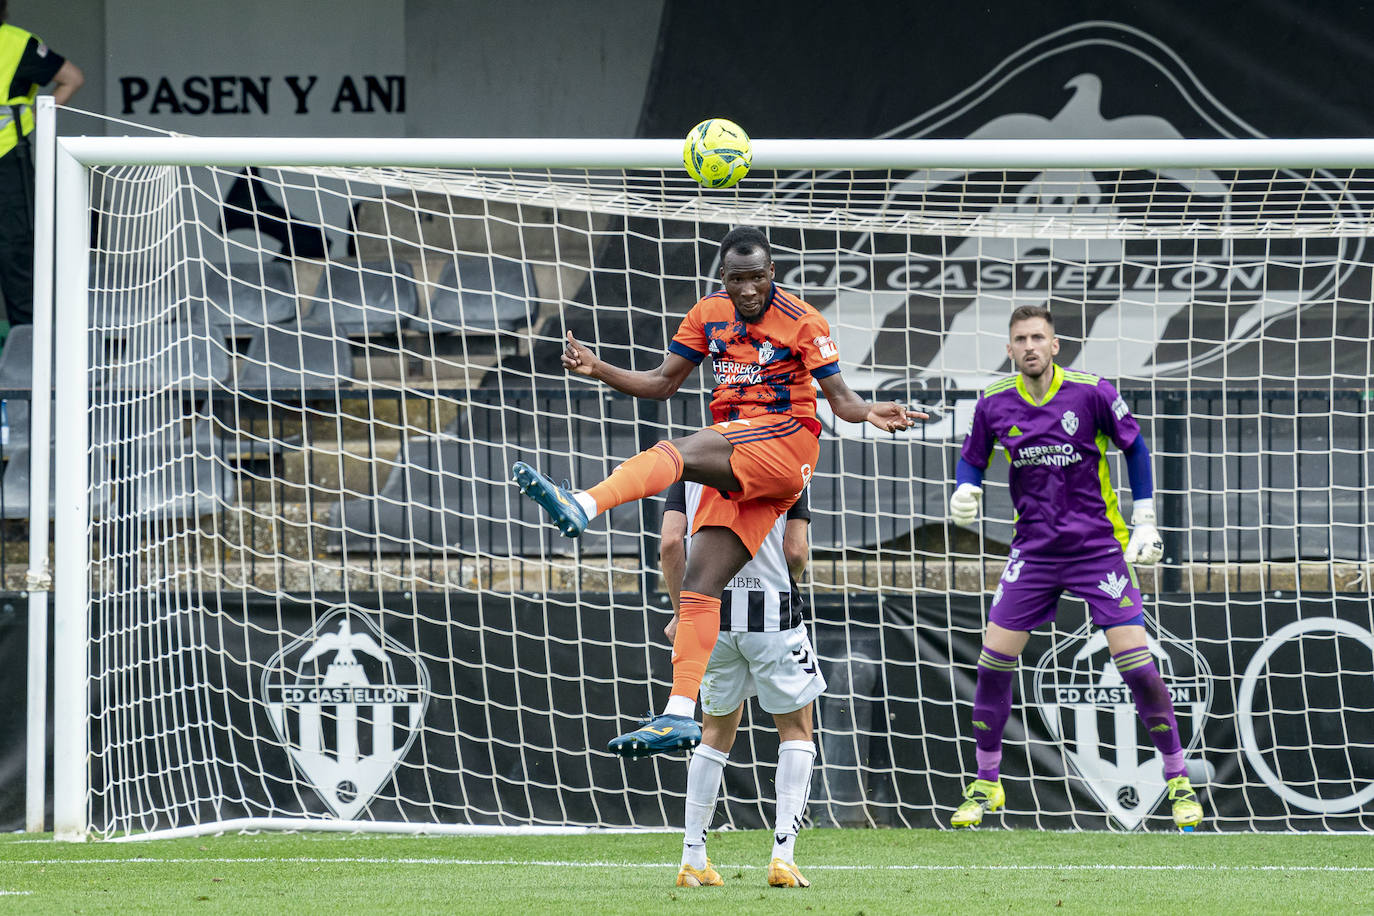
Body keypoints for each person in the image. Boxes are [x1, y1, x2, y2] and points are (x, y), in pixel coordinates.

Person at [513, 225, 923, 757]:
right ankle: (680, 713)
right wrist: (597, 368)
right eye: (737, 280)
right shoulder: (707, 314)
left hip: (785, 444)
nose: (748, 290)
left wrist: (869, 410)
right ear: (723, 279)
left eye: (757, 278)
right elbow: (663, 383)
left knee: (677, 452)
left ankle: (584, 503)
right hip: (738, 460)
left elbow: (841, 401)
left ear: (772, 274)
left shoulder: (804, 321)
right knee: (699, 588)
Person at [947, 304, 1204, 830]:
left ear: (1055, 344)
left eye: (1038, 337)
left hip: (1098, 549)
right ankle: (987, 783)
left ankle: (1178, 780)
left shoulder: (1091, 392)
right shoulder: (995, 403)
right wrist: (965, 485)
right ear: (1009, 349)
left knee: (1136, 665)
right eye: (1020, 339)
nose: (1030, 346)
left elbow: (1136, 448)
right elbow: (973, 455)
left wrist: (1147, 520)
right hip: (1034, 552)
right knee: (993, 661)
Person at [661, 479, 820, 889]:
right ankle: (783, 857)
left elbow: (670, 544)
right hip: (771, 617)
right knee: (797, 731)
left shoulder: (692, 465)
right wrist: (787, 585)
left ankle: (692, 859)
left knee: (713, 733)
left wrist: (682, 613)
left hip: (710, 616)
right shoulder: (787, 459)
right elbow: (795, 550)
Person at [0, 1, 83, 327]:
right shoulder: (17, 41)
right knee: (16, 254)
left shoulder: (18, 43)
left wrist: (35, 119)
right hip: (7, 158)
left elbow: (72, 78)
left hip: (7, 160)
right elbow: (73, 79)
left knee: (17, 255)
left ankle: (30, 355)